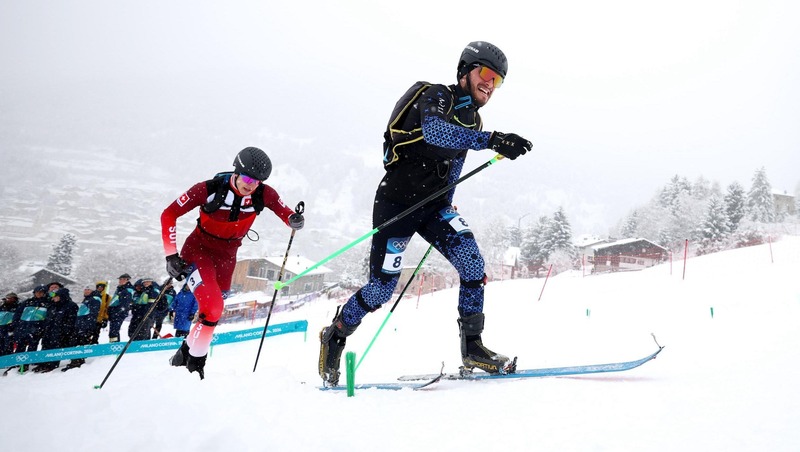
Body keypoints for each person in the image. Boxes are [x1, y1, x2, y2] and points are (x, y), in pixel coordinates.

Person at [318, 41, 532, 386]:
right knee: (381, 289)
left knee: (473, 264)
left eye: (498, 81)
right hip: (398, 205)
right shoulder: (436, 95)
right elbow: (435, 131)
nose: (490, 84)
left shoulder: (473, 119)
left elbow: (455, 164)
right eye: (487, 74)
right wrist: (492, 139)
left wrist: (448, 200)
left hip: (434, 207)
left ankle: (473, 348)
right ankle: (336, 333)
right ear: (465, 72)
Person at [161, 146, 304, 379]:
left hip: (227, 257)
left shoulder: (263, 194)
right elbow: (169, 214)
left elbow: (284, 212)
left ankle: (185, 352)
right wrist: (171, 255)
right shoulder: (208, 189)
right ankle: (194, 366)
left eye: (257, 181)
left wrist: (293, 220)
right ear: (236, 172)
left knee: (216, 308)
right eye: (248, 178)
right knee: (213, 307)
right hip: (199, 251)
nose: (251, 185)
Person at [34, 287, 78, 373]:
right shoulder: (52, 306)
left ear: (61, 296)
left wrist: (64, 330)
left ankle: (52, 365)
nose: (53, 298)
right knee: (45, 345)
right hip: (49, 330)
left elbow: (71, 320)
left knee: (55, 348)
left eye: (55, 296)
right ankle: (43, 363)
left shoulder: (71, 305)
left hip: (60, 332)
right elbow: (47, 318)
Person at [12, 285, 51, 372]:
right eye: (37, 292)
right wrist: (17, 325)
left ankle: (26, 364)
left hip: (36, 329)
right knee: (20, 347)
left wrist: (41, 328)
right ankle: (16, 363)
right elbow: (18, 314)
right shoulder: (27, 302)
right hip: (23, 328)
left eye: (41, 292)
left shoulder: (48, 303)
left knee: (32, 347)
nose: (39, 294)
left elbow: (48, 318)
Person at [63, 286, 102, 371]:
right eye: (85, 289)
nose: (86, 291)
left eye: (88, 289)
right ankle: (75, 360)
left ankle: (78, 361)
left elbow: (93, 313)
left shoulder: (94, 298)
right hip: (80, 324)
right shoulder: (87, 299)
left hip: (85, 325)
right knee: (75, 341)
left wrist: (88, 325)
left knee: (81, 341)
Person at [107, 274, 134, 342]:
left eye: (123, 279)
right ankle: (113, 343)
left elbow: (125, 304)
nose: (120, 281)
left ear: (127, 280)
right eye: (120, 279)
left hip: (118, 313)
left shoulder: (127, 290)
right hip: (115, 312)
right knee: (113, 330)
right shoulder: (120, 288)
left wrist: (118, 312)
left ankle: (114, 345)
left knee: (114, 331)